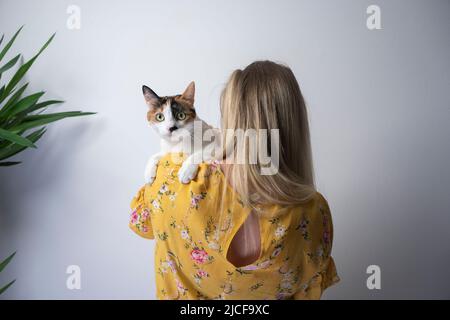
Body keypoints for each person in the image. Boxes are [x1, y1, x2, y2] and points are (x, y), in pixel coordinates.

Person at [130, 60, 339, 299]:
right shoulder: (315, 212)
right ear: (295, 121)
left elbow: (142, 224)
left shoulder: (168, 179)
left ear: (228, 113)